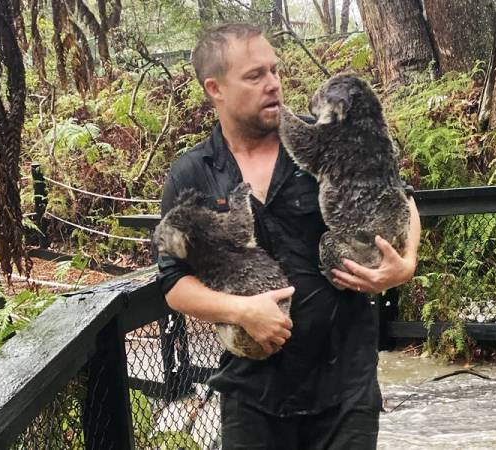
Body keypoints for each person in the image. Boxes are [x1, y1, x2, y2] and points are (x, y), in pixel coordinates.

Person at [157, 22, 421, 449]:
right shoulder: (194, 173)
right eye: (255, 75)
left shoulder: (324, 137)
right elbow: (173, 282)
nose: (273, 84)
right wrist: (241, 311)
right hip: (252, 392)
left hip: (345, 387)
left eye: (274, 70)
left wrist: (404, 265)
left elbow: (399, 198)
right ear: (215, 88)